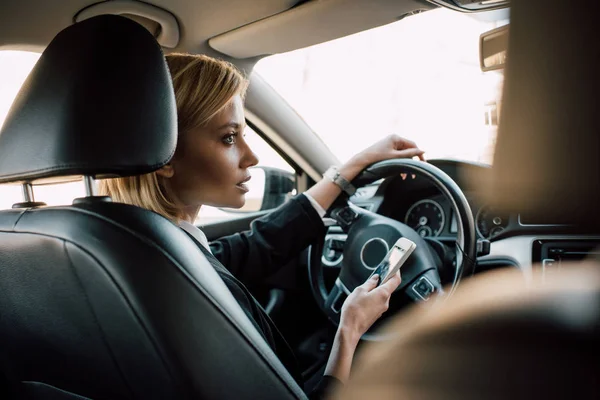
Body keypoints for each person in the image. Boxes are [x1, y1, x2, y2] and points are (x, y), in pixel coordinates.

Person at [98, 53, 425, 397]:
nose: (251, 156)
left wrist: (355, 165)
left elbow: (257, 247)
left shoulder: (143, 250)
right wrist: (350, 329)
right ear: (165, 153)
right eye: (228, 137)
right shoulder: (176, 287)